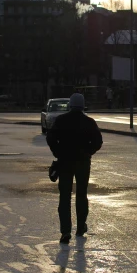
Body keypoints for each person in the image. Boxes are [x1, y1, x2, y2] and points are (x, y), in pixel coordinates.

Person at [46, 92, 103, 245]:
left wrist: (58, 152)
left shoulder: (61, 120)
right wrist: (88, 152)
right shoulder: (89, 122)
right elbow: (98, 141)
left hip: (65, 162)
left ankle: (65, 231)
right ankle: (81, 226)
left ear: (70, 105)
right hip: (83, 163)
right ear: (83, 106)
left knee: (64, 196)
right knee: (81, 194)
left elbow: (50, 137)